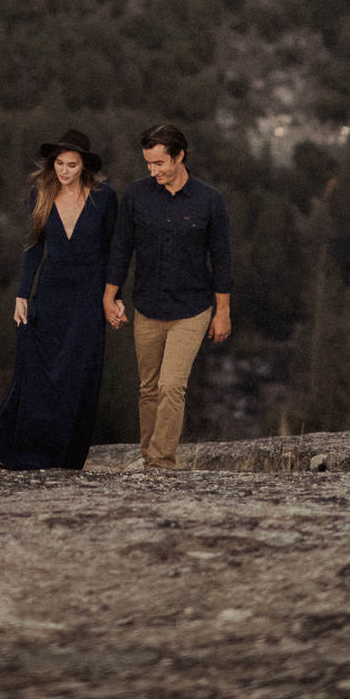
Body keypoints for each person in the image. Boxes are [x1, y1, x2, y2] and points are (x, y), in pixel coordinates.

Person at [0, 128, 118, 471]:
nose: (64, 170)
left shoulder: (104, 198)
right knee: (39, 372)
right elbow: (34, 248)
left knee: (78, 375)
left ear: (84, 166)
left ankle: (67, 457)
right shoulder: (40, 195)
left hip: (88, 298)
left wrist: (112, 296)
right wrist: (22, 294)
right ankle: (27, 452)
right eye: (59, 163)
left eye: (71, 164)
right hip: (50, 293)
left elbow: (114, 253)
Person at [104, 123, 233, 470]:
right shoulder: (137, 196)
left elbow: (221, 259)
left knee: (171, 385)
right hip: (147, 305)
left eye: (159, 163)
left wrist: (223, 311)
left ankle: (161, 463)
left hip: (192, 309)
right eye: (148, 164)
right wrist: (109, 295)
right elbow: (121, 248)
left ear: (179, 156)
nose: (153, 171)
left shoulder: (209, 200)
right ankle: (149, 459)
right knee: (148, 388)